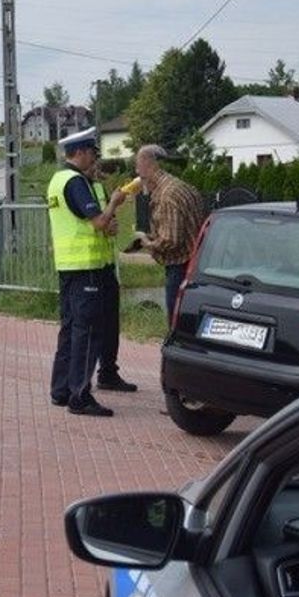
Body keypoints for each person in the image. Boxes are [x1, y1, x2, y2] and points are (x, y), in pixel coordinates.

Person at [48, 129, 128, 417]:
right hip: (87, 269)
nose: (95, 157)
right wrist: (115, 202)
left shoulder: (58, 179)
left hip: (69, 268)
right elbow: (98, 222)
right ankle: (80, 395)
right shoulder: (76, 182)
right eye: (93, 152)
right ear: (80, 152)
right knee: (87, 331)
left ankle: (61, 390)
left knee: (70, 330)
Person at [133, 144, 209, 322]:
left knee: (176, 323)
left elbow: (171, 240)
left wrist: (146, 243)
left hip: (180, 267)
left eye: (137, 166)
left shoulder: (167, 195)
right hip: (198, 263)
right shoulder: (182, 186)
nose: (137, 172)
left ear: (149, 165)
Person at [87, 158, 138, 394]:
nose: (97, 171)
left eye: (97, 166)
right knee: (90, 325)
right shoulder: (77, 187)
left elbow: (107, 221)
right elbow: (93, 222)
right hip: (87, 266)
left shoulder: (98, 188)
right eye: (93, 166)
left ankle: (108, 372)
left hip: (106, 262)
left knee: (110, 323)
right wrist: (110, 212)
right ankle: (82, 377)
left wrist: (112, 223)